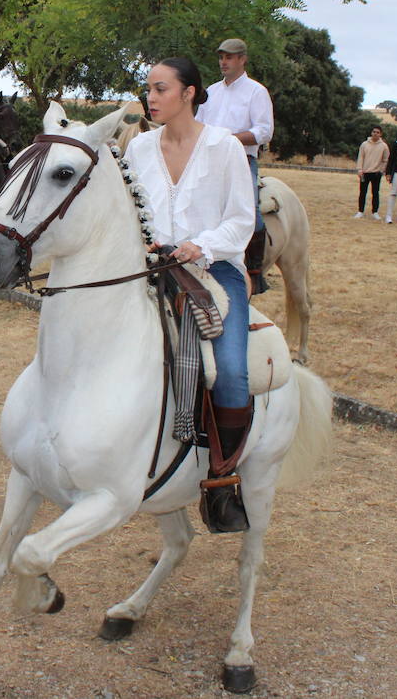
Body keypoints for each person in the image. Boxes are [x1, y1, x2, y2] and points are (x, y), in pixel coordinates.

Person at [127, 56, 256, 533]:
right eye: (149, 90)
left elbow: (242, 221)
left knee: (231, 374)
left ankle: (222, 480)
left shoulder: (224, 148)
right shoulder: (138, 147)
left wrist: (199, 245)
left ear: (189, 93)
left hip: (213, 269)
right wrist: (138, 240)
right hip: (151, 269)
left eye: (161, 89)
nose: (151, 98)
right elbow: (131, 208)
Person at [195, 38, 273, 294]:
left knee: (254, 217)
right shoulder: (212, 92)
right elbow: (198, 124)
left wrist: (227, 140)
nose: (224, 62)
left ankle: (255, 271)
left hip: (242, 160)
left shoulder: (256, 91)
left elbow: (264, 131)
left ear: (242, 59)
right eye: (221, 57)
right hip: (207, 160)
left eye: (229, 57)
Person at [354, 125, 388, 219]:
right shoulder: (364, 144)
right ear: (371, 133)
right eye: (374, 132)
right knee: (362, 192)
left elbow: (385, 160)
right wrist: (360, 169)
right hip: (365, 172)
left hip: (376, 173)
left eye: (377, 132)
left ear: (380, 134)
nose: (375, 134)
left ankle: (375, 212)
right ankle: (360, 211)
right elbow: (360, 157)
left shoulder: (384, 146)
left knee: (375, 192)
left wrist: (381, 170)